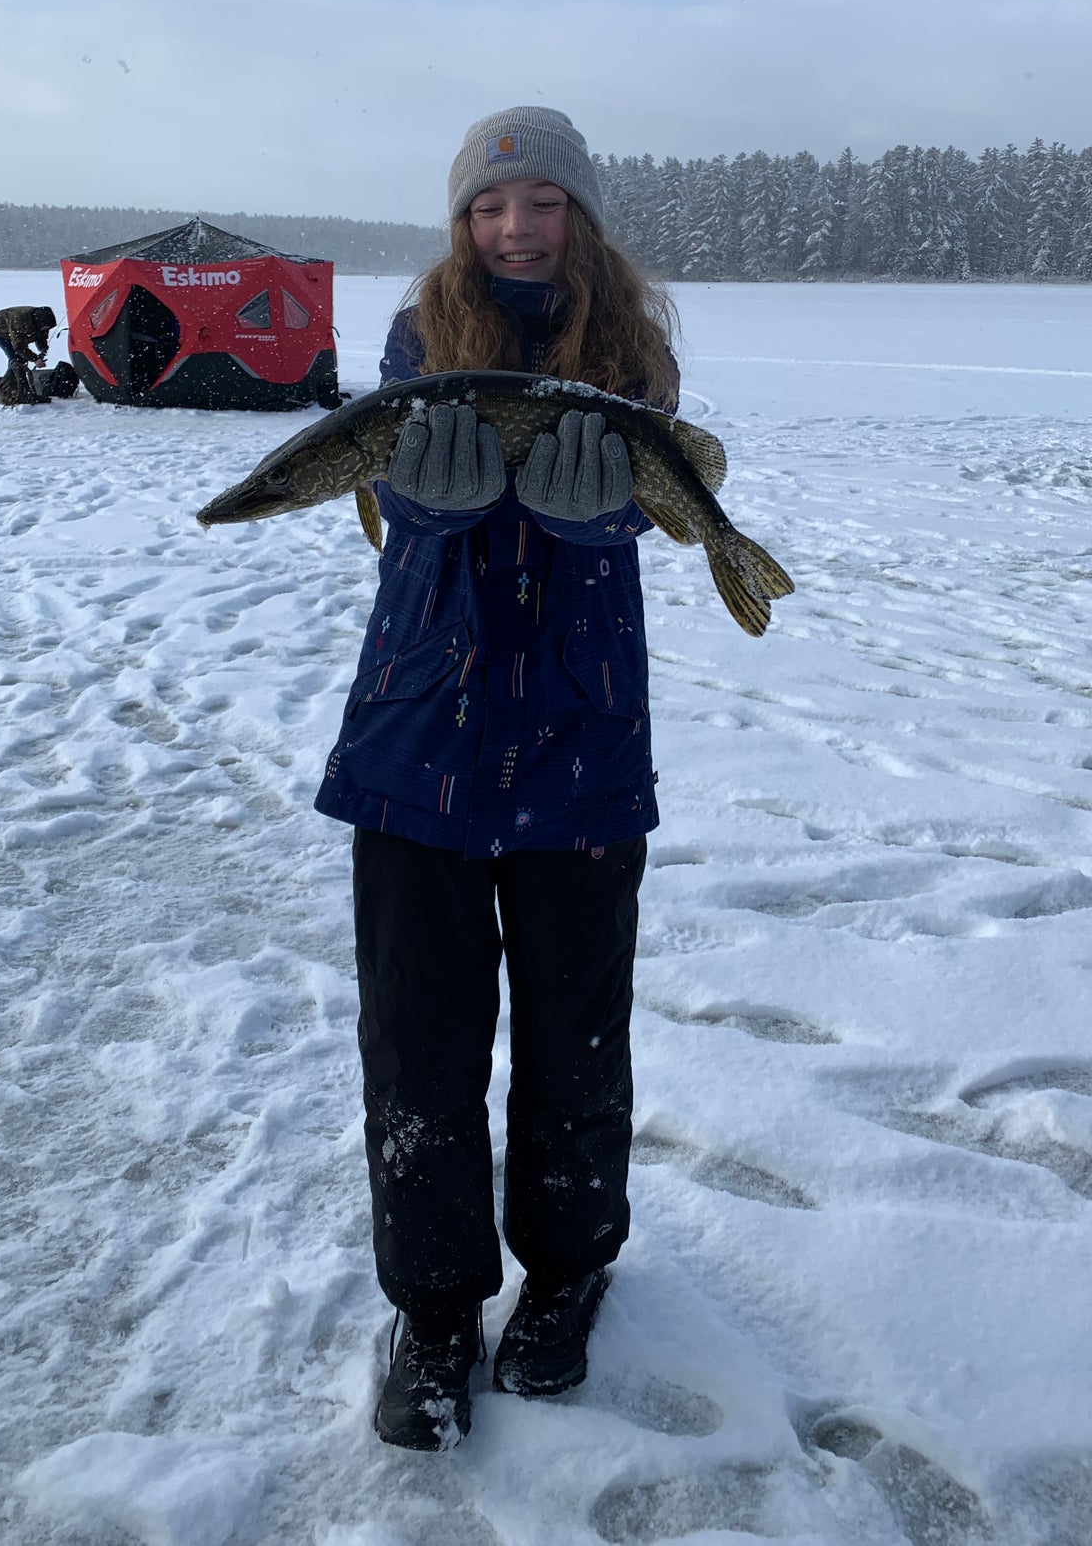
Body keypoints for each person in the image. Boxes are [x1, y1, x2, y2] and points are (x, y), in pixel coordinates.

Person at [314, 106, 679, 1451]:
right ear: (461, 224)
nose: (514, 228)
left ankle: (569, 1272)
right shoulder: (423, 335)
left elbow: (655, 489)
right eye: (487, 206)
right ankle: (435, 1305)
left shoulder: (632, 345)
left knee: (576, 1033)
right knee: (419, 1040)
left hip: (578, 747)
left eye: (540, 202)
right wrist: (432, 503)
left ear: (581, 216)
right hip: (421, 740)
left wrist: (607, 513)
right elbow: (384, 492)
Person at [0, 304, 58, 406]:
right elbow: (19, 347)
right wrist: (35, 359)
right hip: (0, 329)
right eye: (45, 327)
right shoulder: (20, 321)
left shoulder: (41, 322)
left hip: (19, 331)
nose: (46, 330)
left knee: (21, 359)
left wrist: (43, 348)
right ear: (39, 322)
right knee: (16, 359)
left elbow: (41, 336)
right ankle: (7, 388)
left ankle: (19, 387)